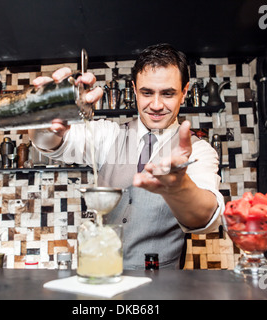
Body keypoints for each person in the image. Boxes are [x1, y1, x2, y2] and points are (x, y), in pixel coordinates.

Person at [29, 43, 224, 269]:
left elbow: (205, 219)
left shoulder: (199, 151)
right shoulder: (108, 135)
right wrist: (45, 121)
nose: (157, 105)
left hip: (161, 288)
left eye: (168, 93)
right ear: (134, 89)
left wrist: (179, 187)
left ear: (185, 92)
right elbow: (52, 144)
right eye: (147, 92)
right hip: (100, 279)